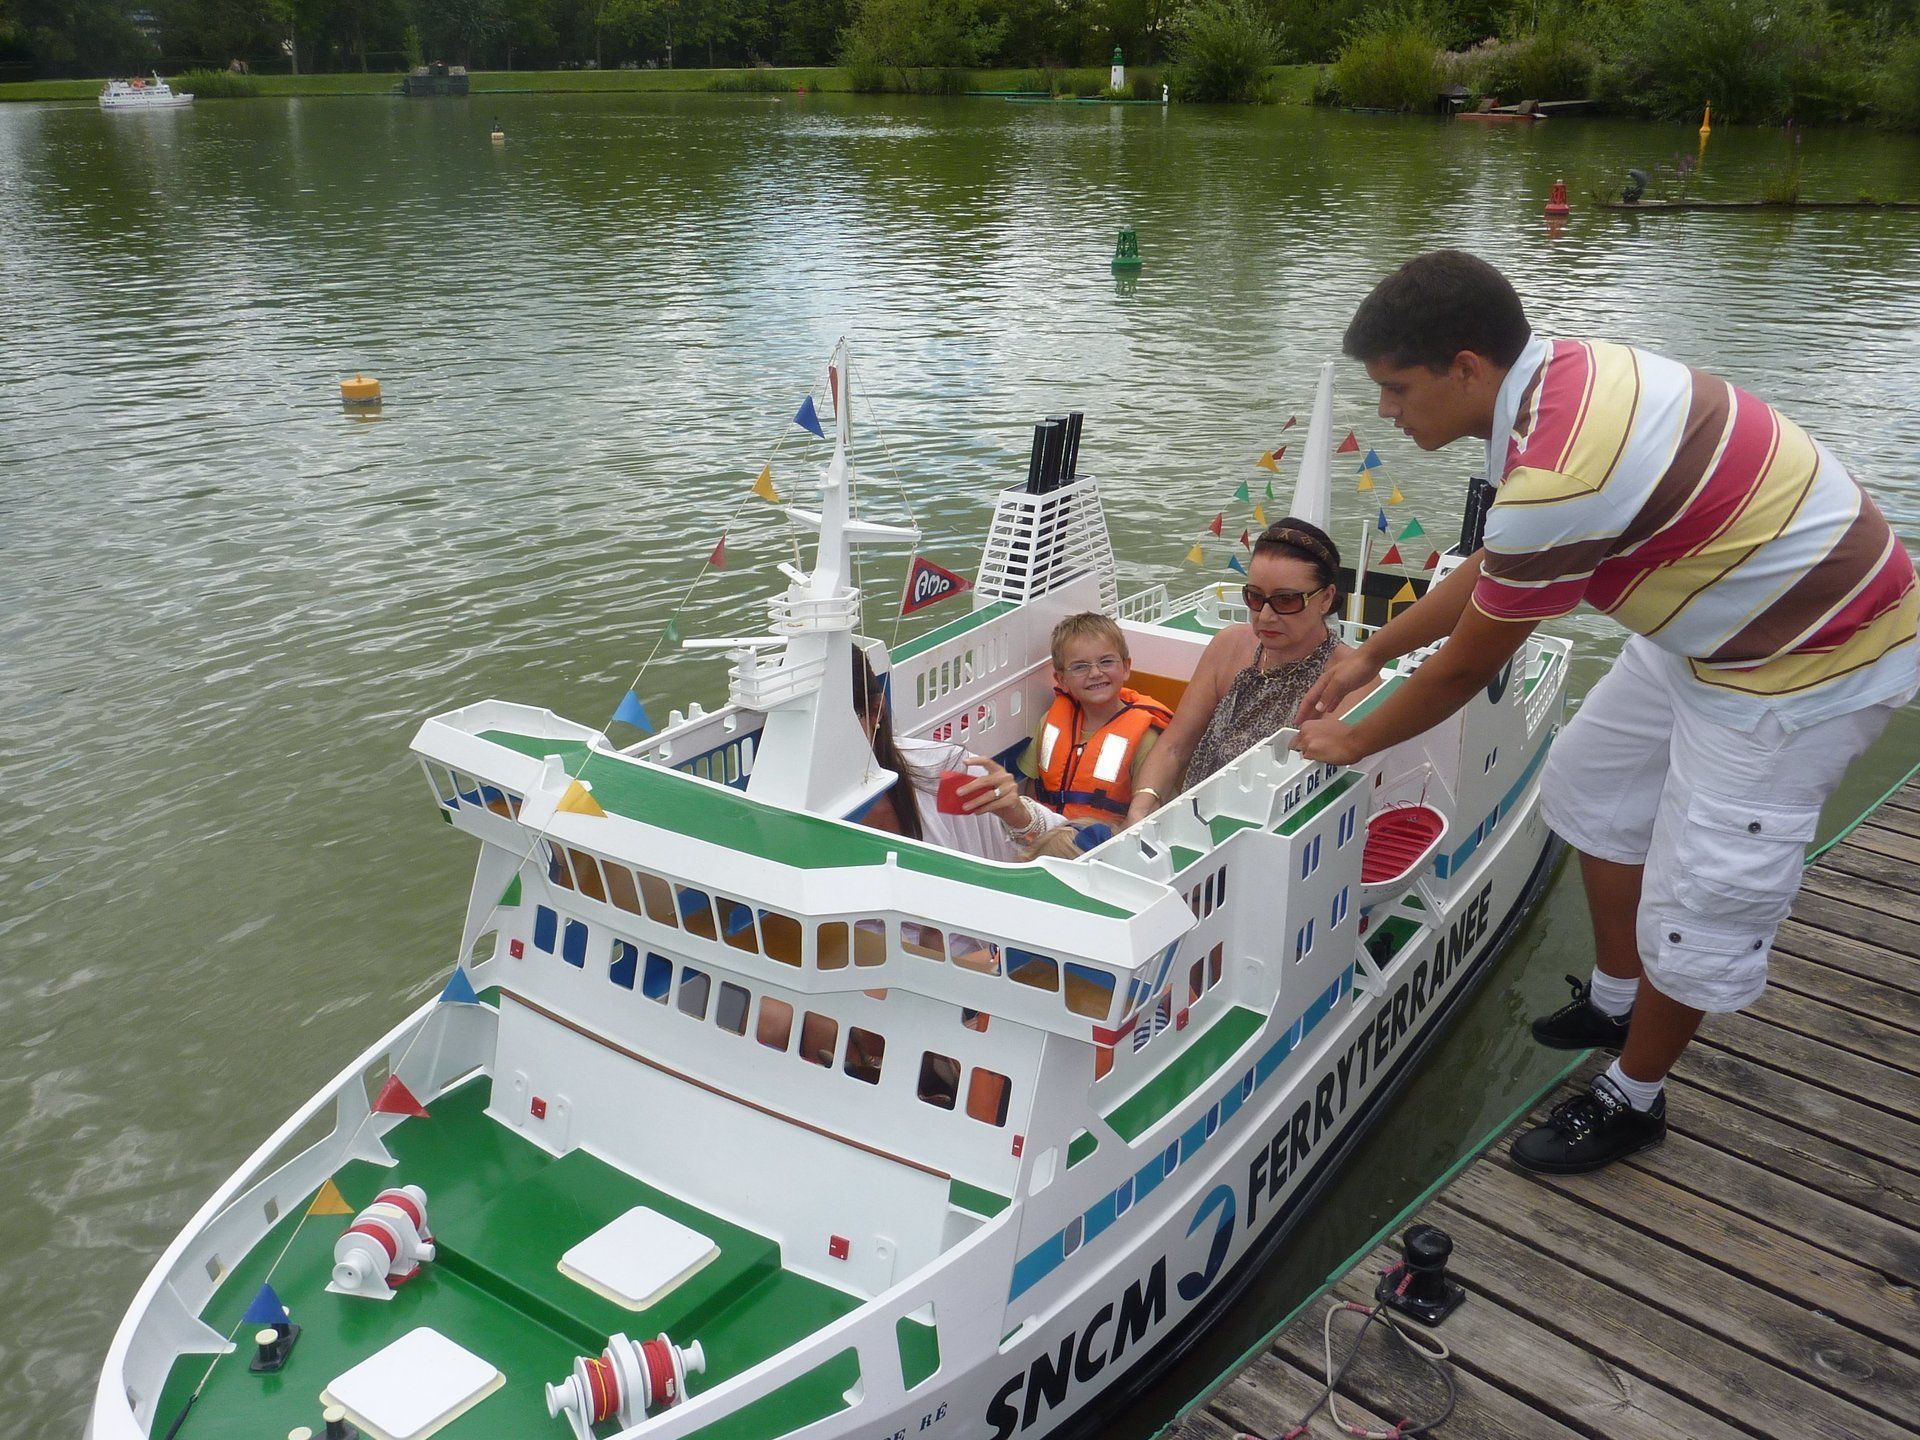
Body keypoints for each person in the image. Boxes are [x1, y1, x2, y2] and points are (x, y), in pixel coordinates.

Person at [1295, 250, 1918, 1175]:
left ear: (1467, 367)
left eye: (1396, 388)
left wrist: (1347, 742)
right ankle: (1620, 994)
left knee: (1703, 895)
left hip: (1804, 663)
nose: (1387, 411)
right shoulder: (1561, 383)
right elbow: (1492, 568)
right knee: (1588, 783)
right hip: (1709, 623)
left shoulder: (1560, 477)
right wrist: (1371, 652)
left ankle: (1635, 1096)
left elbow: (1465, 669)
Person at [1123, 519, 1371, 828]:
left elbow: (1308, 785)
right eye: (1255, 597)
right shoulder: (1229, 646)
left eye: (1286, 600)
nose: (1266, 615)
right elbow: (1175, 746)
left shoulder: (1350, 678)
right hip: (1191, 822)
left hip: (1276, 831)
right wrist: (1143, 804)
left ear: (1325, 598)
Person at [849, 650, 1061, 859]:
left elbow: (1068, 849)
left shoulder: (945, 774)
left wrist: (1019, 817)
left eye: (835, 725)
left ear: (875, 712)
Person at [1021, 612, 1173, 836]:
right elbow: (1033, 787)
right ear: (1061, 680)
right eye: (1080, 667)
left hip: (1106, 846)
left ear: (1126, 667)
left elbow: (1151, 809)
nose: (1095, 673)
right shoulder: (1049, 723)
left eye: (1106, 662)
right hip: (1045, 837)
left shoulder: (1146, 738)